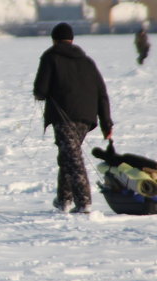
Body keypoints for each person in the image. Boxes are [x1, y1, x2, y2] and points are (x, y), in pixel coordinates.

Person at [33, 22, 113, 213]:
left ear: (54, 40)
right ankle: (63, 200)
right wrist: (106, 124)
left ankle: (84, 201)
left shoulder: (50, 57)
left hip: (64, 117)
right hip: (86, 118)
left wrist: (44, 94)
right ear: (72, 40)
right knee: (68, 156)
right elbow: (102, 94)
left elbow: (40, 91)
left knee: (73, 158)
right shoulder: (87, 61)